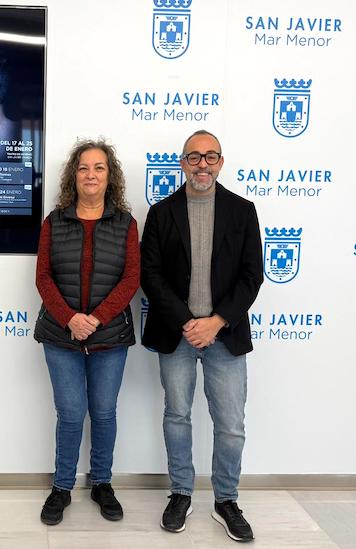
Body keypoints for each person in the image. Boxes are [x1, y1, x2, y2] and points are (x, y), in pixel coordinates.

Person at [140, 130, 263, 541]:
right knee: (177, 416)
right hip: (177, 335)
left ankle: (225, 500)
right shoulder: (160, 214)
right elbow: (150, 276)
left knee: (230, 425)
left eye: (210, 156)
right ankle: (180, 493)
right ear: (182, 163)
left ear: (222, 162)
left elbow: (252, 276)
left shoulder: (243, 211)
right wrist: (187, 322)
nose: (202, 164)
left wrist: (216, 321)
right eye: (194, 157)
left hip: (225, 337)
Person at [33, 139, 140, 526]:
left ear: (109, 176)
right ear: (73, 175)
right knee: (72, 413)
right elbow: (43, 277)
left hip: (110, 337)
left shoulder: (126, 223)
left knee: (105, 413)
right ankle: (62, 487)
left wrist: (95, 318)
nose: (90, 174)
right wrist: (70, 319)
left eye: (98, 168)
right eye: (83, 168)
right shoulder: (54, 221)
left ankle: (102, 483)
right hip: (61, 337)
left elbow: (131, 279)